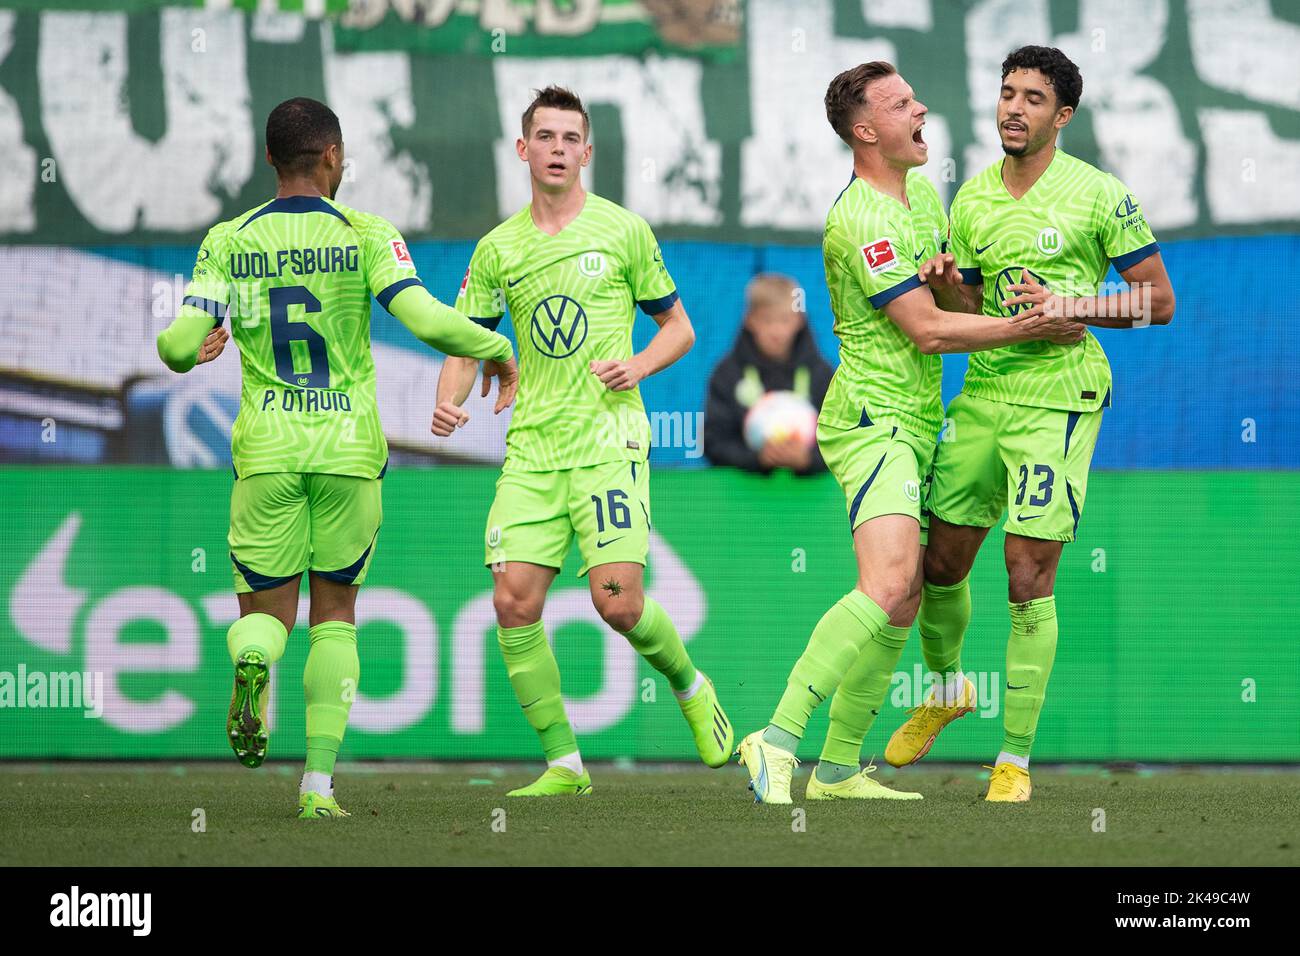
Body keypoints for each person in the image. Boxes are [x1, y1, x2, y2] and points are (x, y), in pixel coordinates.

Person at [734, 62, 1087, 804]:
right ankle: (777, 737)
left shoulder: (925, 195)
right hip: (872, 419)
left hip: (921, 421)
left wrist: (956, 282)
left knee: (902, 598)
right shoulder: (860, 216)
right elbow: (925, 332)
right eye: (901, 104)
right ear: (866, 131)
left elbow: (944, 300)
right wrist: (1026, 324)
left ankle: (835, 770)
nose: (921, 106)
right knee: (890, 581)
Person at [156, 97, 517, 818]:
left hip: (267, 449)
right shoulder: (367, 233)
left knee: (268, 614)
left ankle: (254, 654)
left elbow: (172, 346)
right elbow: (423, 318)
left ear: (269, 161)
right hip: (349, 450)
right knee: (336, 615)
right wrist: (496, 346)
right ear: (332, 158)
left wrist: (195, 346)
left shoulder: (229, 239)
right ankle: (318, 786)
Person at [884, 46, 1174, 802]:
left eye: (1033, 98)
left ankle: (1013, 759)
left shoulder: (1100, 195)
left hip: (1060, 401)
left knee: (1025, 573)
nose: (1014, 108)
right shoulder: (972, 199)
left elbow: (1158, 301)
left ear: (1062, 115)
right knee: (939, 563)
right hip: (982, 398)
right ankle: (946, 691)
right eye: (1007, 93)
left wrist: (1076, 305)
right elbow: (977, 316)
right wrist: (952, 293)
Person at [433, 87, 733, 797]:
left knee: (618, 602)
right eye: (546, 136)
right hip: (533, 448)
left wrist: (638, 364)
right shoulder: (498, 247)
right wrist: (448, 401)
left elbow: (680, 328)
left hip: (609, 441)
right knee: (513, 602)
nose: (559, 148)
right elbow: (463, 337)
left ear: (588, 152)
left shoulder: (623, 230)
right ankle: (565, 765)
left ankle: (690, 685)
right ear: (523, 149)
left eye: (572, 138)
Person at [704, 273, 832, 475]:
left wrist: (809, 459)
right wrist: (756, 459)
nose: (777, 330)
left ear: (799, 320)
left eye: (785, 319)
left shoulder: (822, 374)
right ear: (750, 320)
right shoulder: (727, 374)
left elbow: (842, 439)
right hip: (743, 500)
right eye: (767, 319)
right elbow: (714, 442)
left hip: (811, 501)